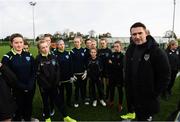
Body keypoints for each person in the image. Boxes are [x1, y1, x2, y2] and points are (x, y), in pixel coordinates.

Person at [122, 22, 171, 121]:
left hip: (148, 99)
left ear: (146, 33)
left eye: (140, 33)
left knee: (145, 118)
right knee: (138, 117)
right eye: (134, 34)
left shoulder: (156, 51)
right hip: (133, 95)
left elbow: (165, 76)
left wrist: (154, 94)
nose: (137, 36)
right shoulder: (130, 49)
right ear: (131, 35)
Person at [35, 39, 76, 122]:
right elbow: (38, 74)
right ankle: (47, 118)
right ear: (39, 49)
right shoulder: (38, 59)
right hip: (44, 87)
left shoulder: (53, 56)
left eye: (46, 47)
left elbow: (58, 70)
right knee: (46, 103)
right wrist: (46, 84)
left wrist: (56, 82)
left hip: (54, 85)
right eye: (43, 48)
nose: (45, 49)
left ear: (49, 47)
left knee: (59, 101)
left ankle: (66, 117)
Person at [1, 33, 36, 121]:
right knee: (18, 107)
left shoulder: (29, 55)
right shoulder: (7, 57)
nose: (19, 44)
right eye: (16, 42)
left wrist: (30, 84)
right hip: (16, 89)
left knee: (28, 104)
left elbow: (33, 71)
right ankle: (18, 119)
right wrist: (21, 86)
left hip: (30, 87)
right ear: (11, 44)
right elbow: (8, 77)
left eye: (21, 42)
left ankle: (27, 118)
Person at [55, 40, 75, 107]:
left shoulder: (67, 53)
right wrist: (57, 79)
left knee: (69, 91)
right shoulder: (54, 54)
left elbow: (71, 65)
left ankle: (68, 102)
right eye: (60, 44)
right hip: (60, 78)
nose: (62, 45)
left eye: (63, 44)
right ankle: (62, 103)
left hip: (68, 78)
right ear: (57, 46)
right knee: (61, 92)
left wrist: (72, 76)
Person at [70, 36, 88, 107]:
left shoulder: (84, 51)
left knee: (83, 87)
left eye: (77, 42)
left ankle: (84, 99)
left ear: (81, 42)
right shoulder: (72, 51)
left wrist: (86, 72)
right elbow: (71, 64)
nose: (76, 43)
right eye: (75, 42)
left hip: (83, 73)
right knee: (76, 88)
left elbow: (86, 62)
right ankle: (76, 100)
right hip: (75, 74)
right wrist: (72, 74)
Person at [108, 41, 124, 112]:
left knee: (120, 91)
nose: (116, 48)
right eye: (114, 46)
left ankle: (120, 104)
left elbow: (121, 66)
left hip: (119, 77)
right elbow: (109, 64)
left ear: (120, 47)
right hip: (112, 76)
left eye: (117, 46)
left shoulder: (122, 56)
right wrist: (116, 64)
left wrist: (113, 63)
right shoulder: (111, 55)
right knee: (112, 90)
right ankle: (111, 102)